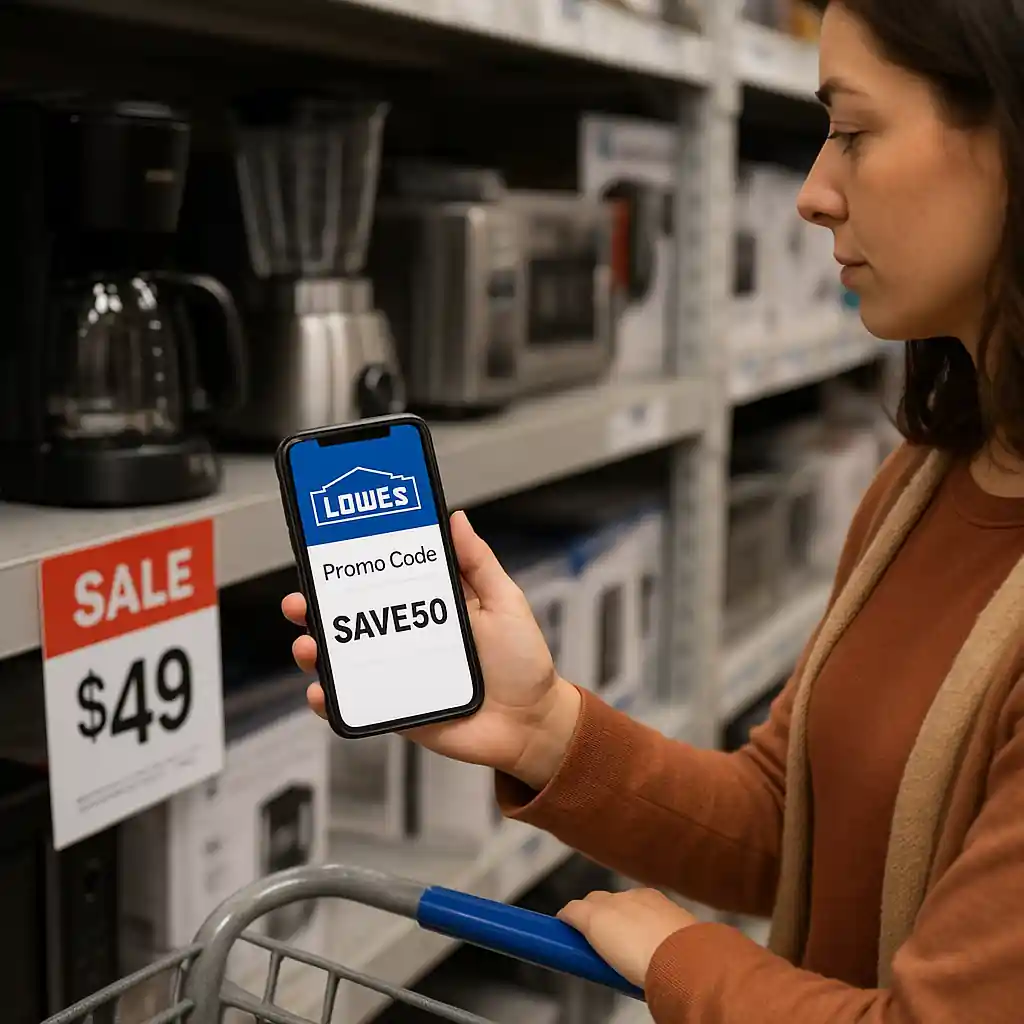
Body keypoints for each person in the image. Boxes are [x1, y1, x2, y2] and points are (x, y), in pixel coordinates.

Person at [283, 1, 1024, 1019]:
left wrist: (684, 961)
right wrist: (542, 727)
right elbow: (785, 818)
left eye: (852, 132)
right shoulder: (926, 479)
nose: (811, 194)